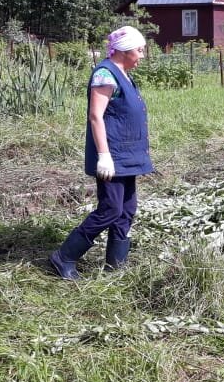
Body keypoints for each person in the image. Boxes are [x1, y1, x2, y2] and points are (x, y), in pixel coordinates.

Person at [50, 26, 153, 280]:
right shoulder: (105, 74)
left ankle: (115, 268)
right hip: (113, 156)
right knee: (110, 209)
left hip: (128, 157)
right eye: (139, 50)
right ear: (124, 50)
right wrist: (104, 156)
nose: (142, 55)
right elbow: (96, 116)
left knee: (127, 210)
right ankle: (64, 257)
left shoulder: (124, 74)